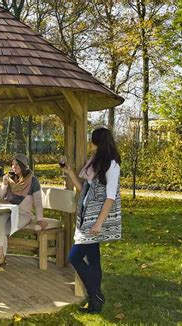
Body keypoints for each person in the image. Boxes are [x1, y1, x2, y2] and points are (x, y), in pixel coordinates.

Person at [62, 127, 122, 314]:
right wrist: (70, 172)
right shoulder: (95, 161)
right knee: (93, 259)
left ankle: (95, 294)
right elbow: (84, 188)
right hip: (86, 214)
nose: (89, 143)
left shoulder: (112, 165)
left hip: (95, 218)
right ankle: (95, 302)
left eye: (91, 140)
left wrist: (99, 223)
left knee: (74, 256)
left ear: (97, 142)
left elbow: (111, 197)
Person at [0, 154, 47, 267]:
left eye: (16, 165)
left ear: (23, 166)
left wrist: (40, 219)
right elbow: (0, 197)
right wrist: (4, 184)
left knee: (3, 230)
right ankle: (1, 257)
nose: (13, 167)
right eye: (12, 165)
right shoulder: (11, 179)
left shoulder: (32, 181)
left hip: (23, 214)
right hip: (7, 211)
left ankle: (1, 258)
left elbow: (37, 201)